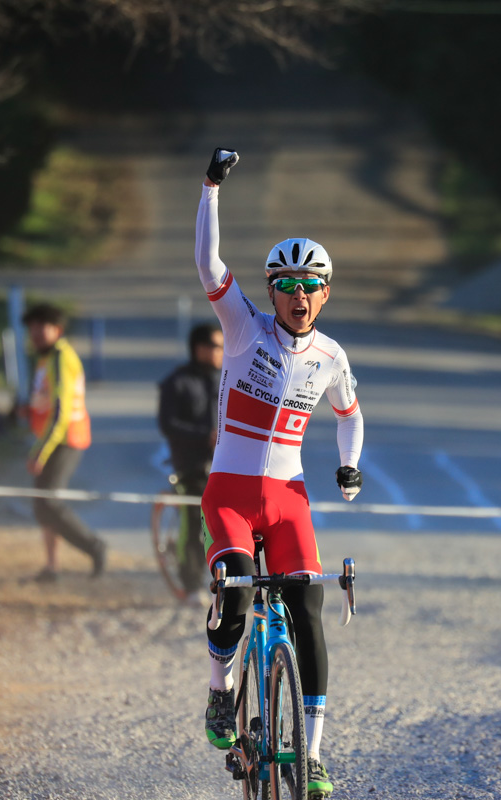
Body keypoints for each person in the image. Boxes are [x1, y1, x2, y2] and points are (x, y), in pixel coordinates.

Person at [195, 148, 364, 799]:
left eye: (310, 286)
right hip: (232, 494)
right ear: (270, 292)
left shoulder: (330, 355)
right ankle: (220, 691)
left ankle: (314, 754)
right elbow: (209, 265)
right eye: (286, 286)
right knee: (236, 593)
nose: (298, 297)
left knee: (308, 610)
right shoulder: (243, 329)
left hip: (289, 498)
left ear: (326, 291)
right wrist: (211, 187)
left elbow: (350, 416)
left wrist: (349, 466)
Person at [22, 303, 107, 581]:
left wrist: (39, 451)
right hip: (54, 439)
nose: (35, 332)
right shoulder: (46, 358)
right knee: (41, 504)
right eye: (32, 326)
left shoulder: (60, 357)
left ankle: (94, 547)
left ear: (57, 330)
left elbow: (60, 412)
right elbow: (44, 402)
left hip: (65, 440)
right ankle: (51, 566)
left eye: (41, 326)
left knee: (50, 503)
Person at [157, 322, 223, 601]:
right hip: (190, 466)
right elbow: (167, 424)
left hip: (222, 467)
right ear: (200, 348)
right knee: (193, 525)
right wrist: (203, 437)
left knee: (221, 526)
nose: (222, 352)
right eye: (217, 346)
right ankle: (191, 583)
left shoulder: (227, 379)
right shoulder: (177, 382)